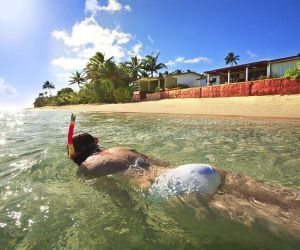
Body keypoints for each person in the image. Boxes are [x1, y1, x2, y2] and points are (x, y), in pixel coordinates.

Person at [67, 116, 300, 237]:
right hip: (190, 169)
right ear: (97, 142)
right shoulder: (121, 149)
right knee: (283, 199)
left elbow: (122, 199)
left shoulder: (88, 168)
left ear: (75, 156)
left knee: (271, 221)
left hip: (171, 186)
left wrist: (141, 224)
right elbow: (163, 163)